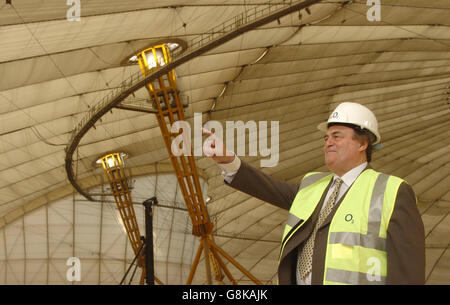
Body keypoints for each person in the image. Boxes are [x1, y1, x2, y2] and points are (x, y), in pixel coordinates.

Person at [204, 102, 425, 285]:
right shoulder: (312, 185)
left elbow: (408, 269)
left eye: (337, 136)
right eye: (326, 138)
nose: (328, 142)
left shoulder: (393, 191)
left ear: (363, 143)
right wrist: (229, 161)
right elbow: (269, 188)